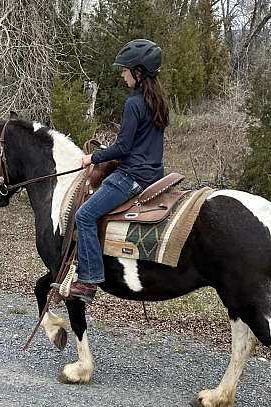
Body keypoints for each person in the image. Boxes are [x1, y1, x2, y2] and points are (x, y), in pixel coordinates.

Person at [54, 38, 170, 302]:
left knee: (84, 215)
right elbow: (141, 143)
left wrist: (93, 157)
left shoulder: (133, 103)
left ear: (138, 72)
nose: (122, 74)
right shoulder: (157, 101)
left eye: (125, 69)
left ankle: (89, 280)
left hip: (132, 177)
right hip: (155, 174)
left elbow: (124, 147)